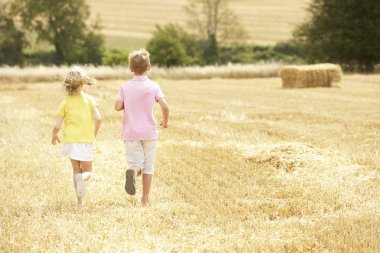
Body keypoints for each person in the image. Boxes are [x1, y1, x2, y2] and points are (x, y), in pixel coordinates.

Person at [115, 48, 169, 206]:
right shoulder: (154, 86)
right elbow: (165, 107)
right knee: (148, 166)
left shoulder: (124, 87)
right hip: (149, 132)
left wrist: (126, 102)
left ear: (131, 68)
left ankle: (132, 171)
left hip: (131, 132)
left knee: (136, 163)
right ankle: (145, 199)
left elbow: (117, 107)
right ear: (149, 67)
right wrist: (165, 121)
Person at [51, 66, 101, 207]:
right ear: (83, 83)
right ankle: (83, 178)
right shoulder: (90, 99)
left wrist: (54, 135)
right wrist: (94, 134)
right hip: (85, 140)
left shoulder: (65, 102)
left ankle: (80, 203)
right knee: (87, 172)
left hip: (70, 141)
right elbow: (98, 119)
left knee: (75, 170)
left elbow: (57, 125)